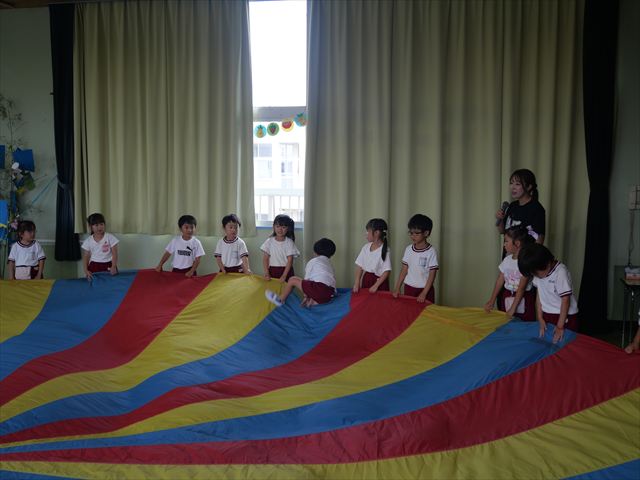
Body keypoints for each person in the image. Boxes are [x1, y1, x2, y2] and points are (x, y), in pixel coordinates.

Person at [518, 243, 578, 344]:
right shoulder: (539, 273)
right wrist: (540, 317)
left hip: (565, 317)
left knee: (565, 345)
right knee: (549, 344)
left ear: (547, 263)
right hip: (547, 314)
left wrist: (560, 326)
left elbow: (565, 300)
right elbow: (539, 295)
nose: (535, 275)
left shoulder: (560, 272)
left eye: (535, 273)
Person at [265, 238, 336, 307]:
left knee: (293, 280)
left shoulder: (314, 261)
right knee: (314, 298)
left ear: (315, 252)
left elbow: (307, 279)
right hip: (329, 293)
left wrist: (306, 296)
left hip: (319, 289)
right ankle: (312, 302)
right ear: (331, 254)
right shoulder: (329, 264)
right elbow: (331, 280)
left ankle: (280, 300)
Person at [484, 226, 535, 320]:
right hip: (507, 295)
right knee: (507, 323)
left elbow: (521, 288)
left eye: (506, 241)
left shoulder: (525, 262)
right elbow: (500, 280)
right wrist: (492, 300)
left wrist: (513, 308)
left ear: (517, 243)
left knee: (523, 324)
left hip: (524, 298)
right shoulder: (507, 260)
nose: (504, 244)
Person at [393, 214, 439, 303]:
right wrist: (397, 287)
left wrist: (424, 293)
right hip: (409, 288)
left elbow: (432, 275)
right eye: (411, 233)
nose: (413, 236)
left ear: (426, 233)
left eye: (417, 233)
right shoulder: (408, 249)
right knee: (408, 310)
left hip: (425, 290)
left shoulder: (431, 252)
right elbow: (404, 270)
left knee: (425, 311)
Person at [496, 168, 546, 244]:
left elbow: (539, 240)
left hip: (525, 251)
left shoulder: (536, 209)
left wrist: (530, 253)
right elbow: (502, 231)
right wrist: (500, 219)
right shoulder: (512, 205)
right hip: (508, 251)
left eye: (517, 184)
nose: (513, 187)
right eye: (511, 183)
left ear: (529, 187)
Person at [353, 218, 392, 293]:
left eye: (368, 231)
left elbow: (386, 271)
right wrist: (357, 282)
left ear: (377, 233)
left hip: (380, 282)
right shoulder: (366, 247)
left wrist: (376, 285)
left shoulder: (385, 250)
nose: (366, 234)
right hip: (367, 279)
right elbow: (360, 266)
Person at [261, 214, 300, 282]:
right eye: (277, 226)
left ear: (288, 228)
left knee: (286, 288)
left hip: (286, 271)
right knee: (273, 287)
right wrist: (266, 273)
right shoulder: (269, 241)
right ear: (274, 227)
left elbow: (290, 261)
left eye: (283, 227)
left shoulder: (289, 242)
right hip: (272, 271)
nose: (280, 229)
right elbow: (265, 259)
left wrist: (284, 275)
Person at [81, 212, 119, 281]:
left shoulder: (110, 237)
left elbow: (115, 254)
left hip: (108, 264)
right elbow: (86, 257)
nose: (99, 227)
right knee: (95, 284)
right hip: (94, 266)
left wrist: (113, 266)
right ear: (90, 227)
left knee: (110, 283)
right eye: (96, 225)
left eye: (101, 224)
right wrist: (86, 270)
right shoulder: (88, 241)